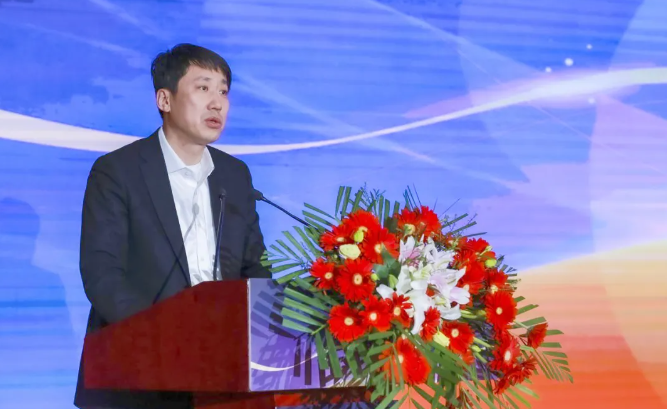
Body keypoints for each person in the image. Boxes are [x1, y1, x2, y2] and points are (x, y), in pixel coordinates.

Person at [74, 44, 271, 409]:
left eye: (223, 91)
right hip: (139, 373)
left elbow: (255, 267)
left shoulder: (234, 175)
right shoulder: (117, 171)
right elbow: (103, 276)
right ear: (164, 99)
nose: (217, 103)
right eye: (203, 88)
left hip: (224, 374)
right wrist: (167, 336)